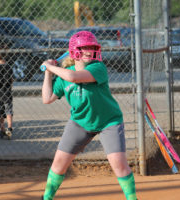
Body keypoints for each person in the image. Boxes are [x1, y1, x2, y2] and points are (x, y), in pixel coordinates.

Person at [41, 31, 138, 200]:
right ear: (74, 51)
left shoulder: (97, 67)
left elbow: (73, 77)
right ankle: (46, 198)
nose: (89, 51)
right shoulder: (63, 74)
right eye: (84, 48)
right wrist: (47, 74)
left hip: (109, 121)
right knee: (59, 164)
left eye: (92, 47)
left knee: (119, 164)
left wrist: (50, 67)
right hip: (80, 122)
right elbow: (47, 99)